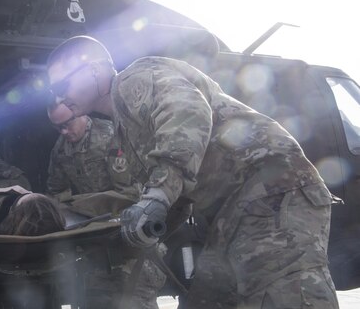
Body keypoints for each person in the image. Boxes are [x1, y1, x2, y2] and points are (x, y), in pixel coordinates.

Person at [46, 35, 339, 308]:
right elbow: (175, 192)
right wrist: (148, 226)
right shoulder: (124, 129)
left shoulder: (133, 79)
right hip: (229, 213)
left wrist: (157, 196)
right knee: (208, 300)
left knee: (283, 297)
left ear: (95, 70)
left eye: (62, 85)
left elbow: (188, 112)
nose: (60, 97)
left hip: (270, 192)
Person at [47, 102, 162, 309]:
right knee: (97, 298)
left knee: (136, 295)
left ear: (80, 112)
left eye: (67, 123)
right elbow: (56, 192)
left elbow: (130, 193)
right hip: (96, 239)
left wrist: (88, 204)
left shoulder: (110, 136)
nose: (64, 131)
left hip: (129, 230)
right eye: (57, 127)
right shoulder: (59, 150)